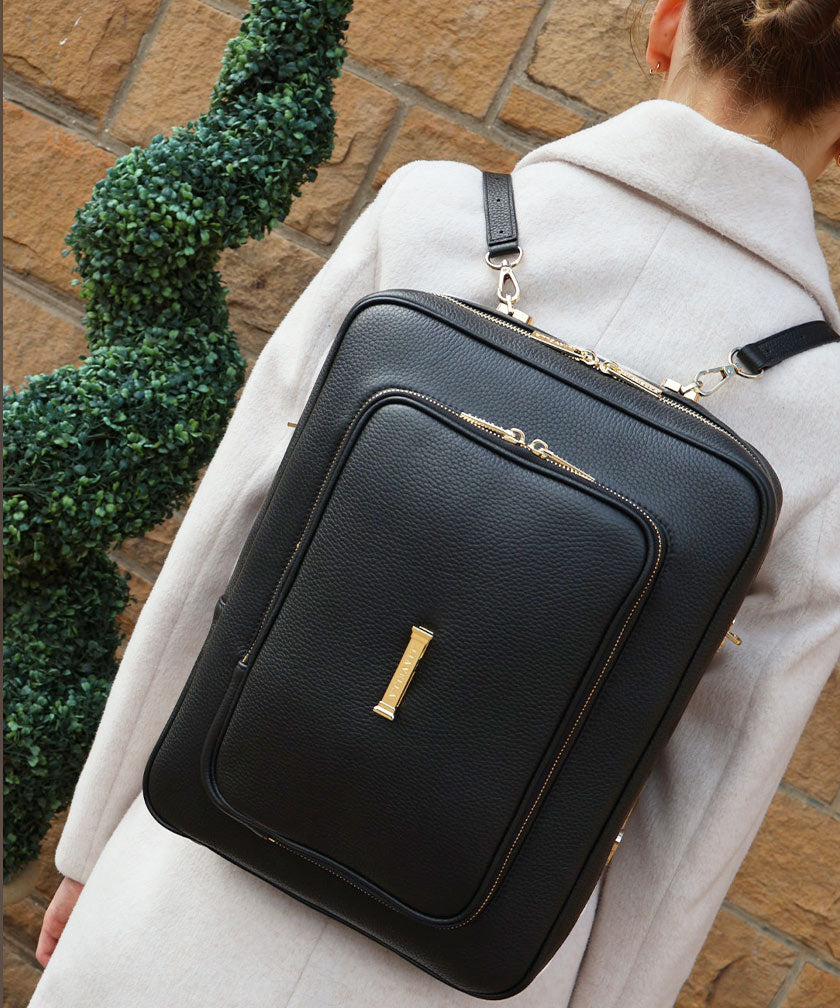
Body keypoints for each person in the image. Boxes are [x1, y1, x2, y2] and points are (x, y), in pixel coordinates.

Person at [31, 1, 840, 1005]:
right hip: (468, 952)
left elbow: (229, 530)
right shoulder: (825, 412)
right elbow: (712, 784)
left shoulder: (431, 218)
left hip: (194, 879)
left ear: (667, 24)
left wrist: (97, 836)